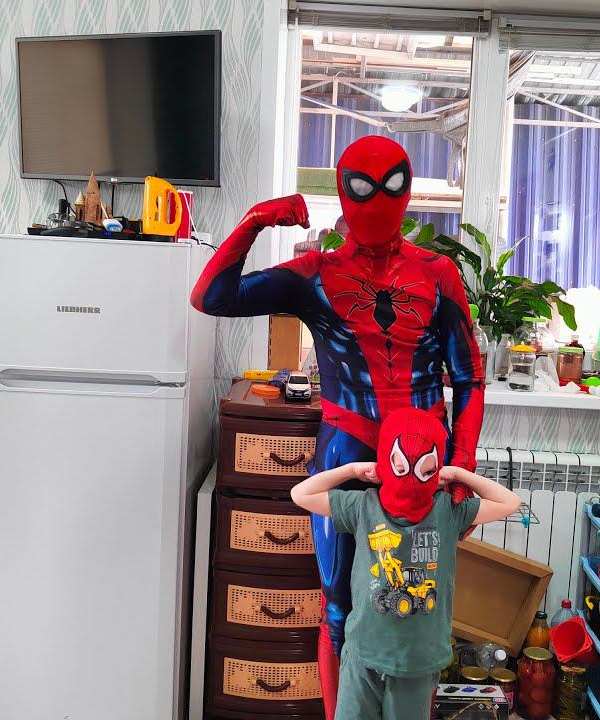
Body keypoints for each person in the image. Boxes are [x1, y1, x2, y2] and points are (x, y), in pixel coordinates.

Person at [190, 135, 485, 716]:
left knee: (420, 607)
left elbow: (470, 378)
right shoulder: (316, 273)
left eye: (391, 186)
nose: (377, 201)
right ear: (344, 192)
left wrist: (462, 464)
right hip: (349, 450)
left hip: (421, 460)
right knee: (338, 605)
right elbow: (211, 296)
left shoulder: (437, 274)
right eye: (362, 188)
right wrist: (255, 220)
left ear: (407, 189)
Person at [290, 408, 520, 720]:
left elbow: (509, 502)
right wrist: (352, 470)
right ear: (386, 461)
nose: (411, 479)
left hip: (418, 662)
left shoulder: (448, 511)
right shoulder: (363, 506)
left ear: (436, 469)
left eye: (427, 470)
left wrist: (458, 474)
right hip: (363, 654)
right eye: (400, 467)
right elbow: (300, 493)